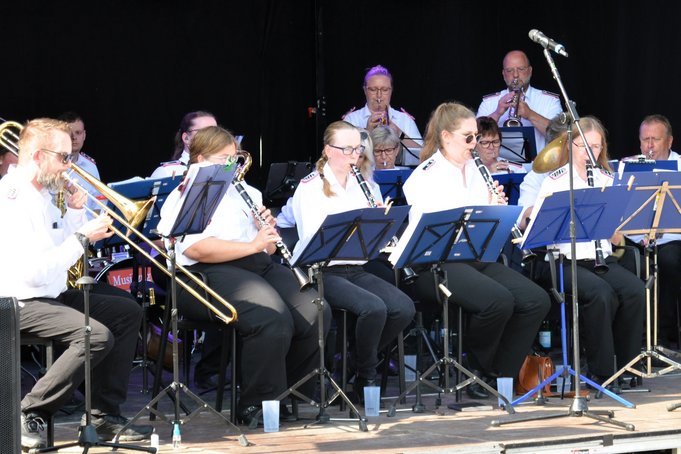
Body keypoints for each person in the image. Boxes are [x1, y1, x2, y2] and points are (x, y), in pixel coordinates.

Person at [0, 118, 153, 450]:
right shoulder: (12, 200)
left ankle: (103, 416)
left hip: (48, 293)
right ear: (39, 156)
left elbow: (60, 250)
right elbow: (33, 273)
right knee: (95, 334)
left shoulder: (43, 195)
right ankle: (29, 411)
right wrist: (82, 235)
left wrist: (74, 213)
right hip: (18, 300)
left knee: (126, 311)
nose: (69, 167)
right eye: (64, 158)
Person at [159, 125, 327, 424]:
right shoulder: (186, 195)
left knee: (317, 311)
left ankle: (289, 393)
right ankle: (258, 404)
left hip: (254, 265)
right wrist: (252, 244)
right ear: (198, 160)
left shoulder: (247, 191)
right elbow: (196, 249)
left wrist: (265, 234)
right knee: (269, 317)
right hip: (206, 273)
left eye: (234, 158)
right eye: (223, 159)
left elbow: (268, 251)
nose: (231, 166)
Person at [402, 102, 551, 398]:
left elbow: (485, 226)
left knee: (536, 299)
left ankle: (502, 374)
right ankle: (478, 370)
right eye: (468, 137)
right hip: (436, 264)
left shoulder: (475, 169)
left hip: (474, 257)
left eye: (476, 138)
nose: (475, 144)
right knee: (498, 300)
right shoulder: (425, 176)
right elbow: (430, 233)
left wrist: (496, 210)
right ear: (446, 137)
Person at [291, 120, 415, 393]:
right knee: (374, 307)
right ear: (328, 150)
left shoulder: (366, 185)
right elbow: (315, 237)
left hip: (355, 268)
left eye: (357, 150)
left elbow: (372, 245)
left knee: (403, 308)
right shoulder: (310, 186)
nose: (354, 156)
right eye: (346, 150)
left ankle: (353, 363)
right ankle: (365, 378)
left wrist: (381, 225)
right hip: (321, 270)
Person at [529, 116, 645, 382]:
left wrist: (623, 226)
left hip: (599, 258)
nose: (589, 153)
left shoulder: (606, 177)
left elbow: (616, 238)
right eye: (583, 146)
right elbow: (542, 232)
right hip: (564, 262)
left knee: (635, 290)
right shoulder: (555, 181)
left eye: (595, 147)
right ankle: (602, 373)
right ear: (570, 146)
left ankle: (628, 367)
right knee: (601, 294)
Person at [620, 114, 681, 347]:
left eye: (655, 139)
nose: (650, 146)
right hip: (636, 237)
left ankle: (662, 337)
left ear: (669, 141)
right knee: (621, 263)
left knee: (669, 262)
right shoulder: (629, 166)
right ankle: (633, 340)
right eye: (645, 139)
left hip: (672, 237)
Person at [477, 50, 563, 153]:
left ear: (530, 71)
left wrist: (530, 114)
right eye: (509, 70)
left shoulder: (550, 100)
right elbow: (474, 138)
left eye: (521, 69)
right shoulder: (489, 102)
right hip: (498, 167)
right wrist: (497, 113)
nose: (516, 75)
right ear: (503, 74)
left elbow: (560, 136)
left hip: (539, 168)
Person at [343, 65, 423, 166]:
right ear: (365, 90)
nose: (379, 96)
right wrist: (367, 133)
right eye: (373, 90)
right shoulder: (351, 119)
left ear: (391, 91)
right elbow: (343, 155)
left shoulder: (405, 120)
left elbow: (423, 156)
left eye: (385, 90)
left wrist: (399, 133)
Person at [58, 112, 102, 217]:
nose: (74, 138)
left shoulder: (91, 166)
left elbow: (98, 205)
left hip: (86, 229)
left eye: (78, 133)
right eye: (69, 133)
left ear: (84, 135)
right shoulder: (49, 164)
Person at [149, 111, 217, 179]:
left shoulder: (223, 167)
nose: (211, 136)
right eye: (204, 131)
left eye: (215, 131)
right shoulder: (166, 172)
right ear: (186, 138)